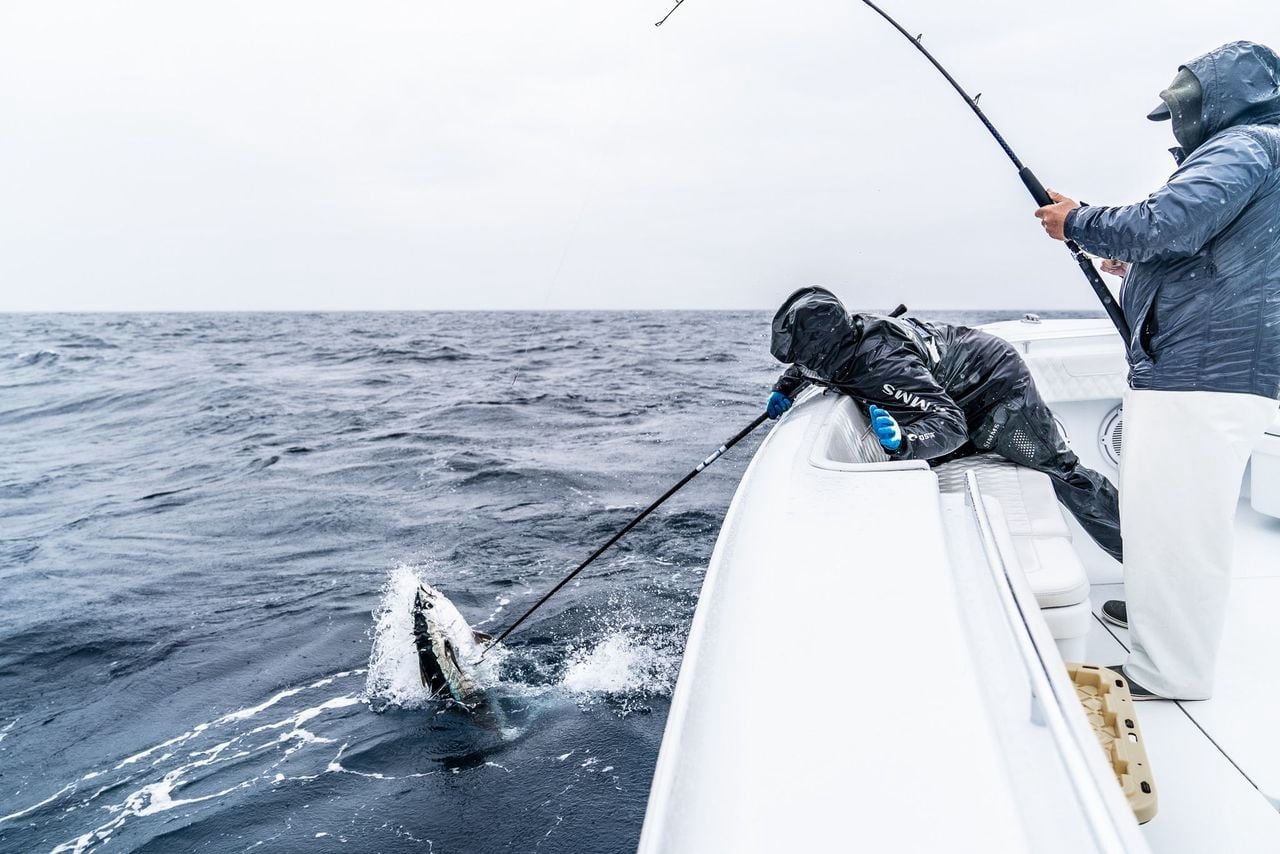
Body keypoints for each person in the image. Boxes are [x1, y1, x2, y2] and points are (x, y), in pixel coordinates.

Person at [1034, 41, 1280, 700]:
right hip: (1199, 365)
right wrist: (1130, 257)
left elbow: (1165, 224)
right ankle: (1156, 621)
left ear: (1216, 102)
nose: (1177, 122)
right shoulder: (1259, 151)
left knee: (1178, 527)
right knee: (1159, 517)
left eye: (1182, 108)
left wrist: (1077, 220)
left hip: (1204, 369)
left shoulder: (1243, 147)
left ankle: (1169, 670)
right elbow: (1200, 245)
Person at [766, 286, 1123, 562]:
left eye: (808, 361)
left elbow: (951, 426)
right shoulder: (845, 340)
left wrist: (904, 442)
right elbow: (807, 365)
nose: (805, 368)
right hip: (956, 388)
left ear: (827, 351)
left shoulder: (884, 368)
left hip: (996, 387)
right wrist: (785, 387)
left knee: (1061, 472)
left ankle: (1138, 557)